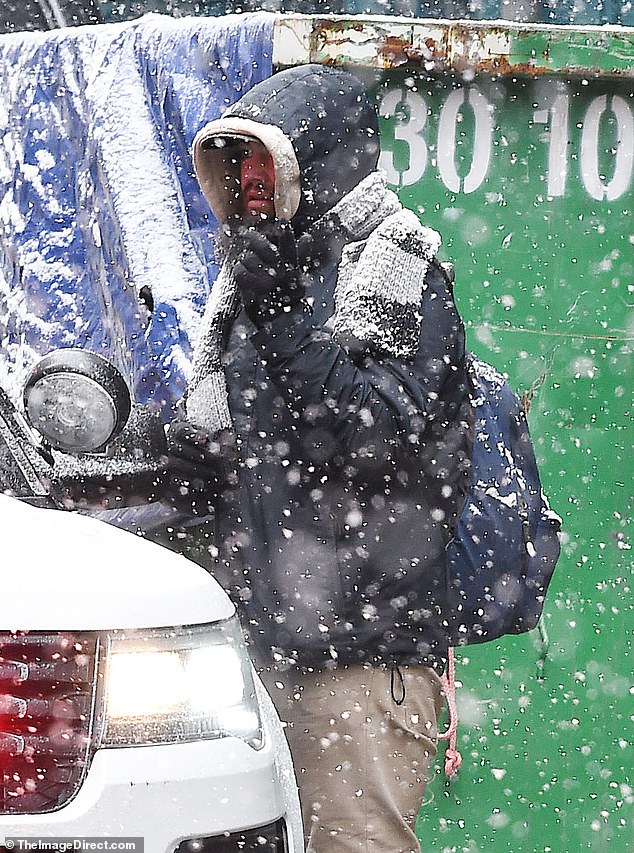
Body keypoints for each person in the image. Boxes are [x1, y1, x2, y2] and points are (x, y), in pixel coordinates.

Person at [167, 64, 472, 852]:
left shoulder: (400, 270)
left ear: (316, 158)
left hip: (360, 673)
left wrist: (282, 323)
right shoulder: (254, 280)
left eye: (261, 162)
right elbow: (223, 455)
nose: (249, 186)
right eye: (234, 167)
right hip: (253, 654)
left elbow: (368, 440)